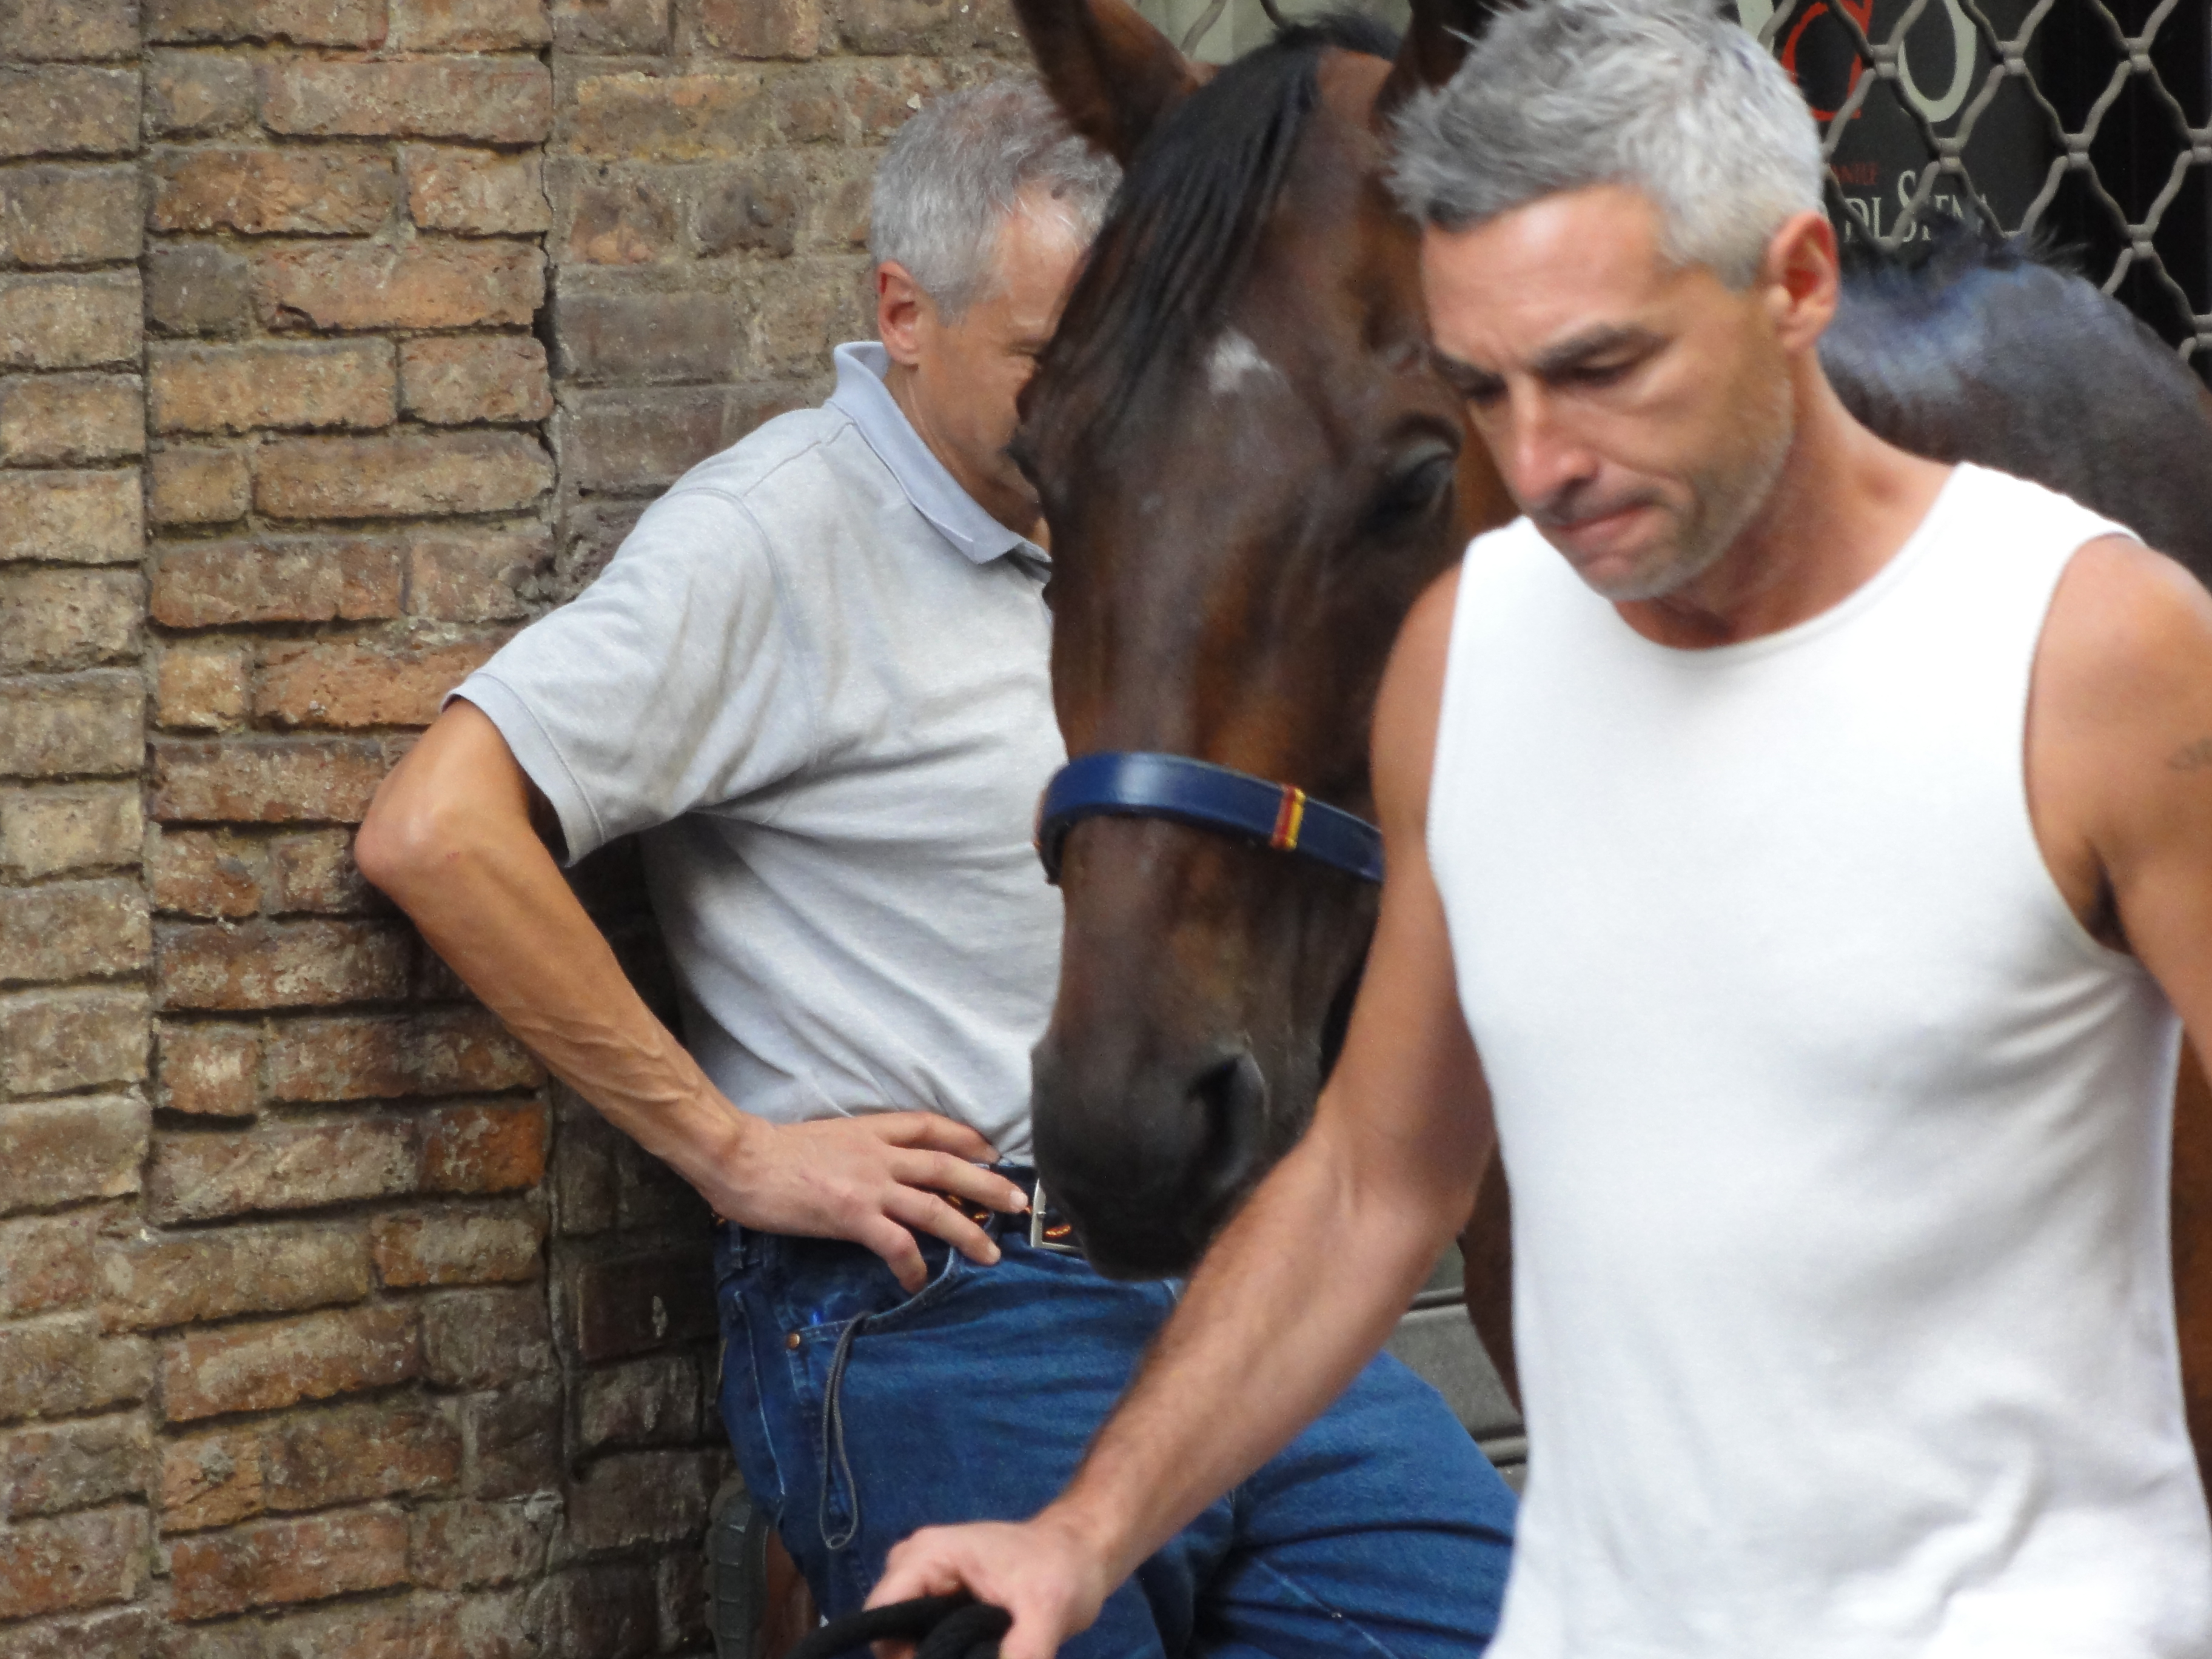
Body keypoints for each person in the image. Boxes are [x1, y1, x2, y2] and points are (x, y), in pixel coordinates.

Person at [868, 5, 2212, 1655]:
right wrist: (1083, 1533)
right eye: (1484, 391)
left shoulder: (2092, 656)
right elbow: (1371, 1183)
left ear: (1797, 283)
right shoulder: (1473, 653)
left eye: (1600, 368)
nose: (1545, 462)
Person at [355, 78, 1516, 1655]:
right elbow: (435, 827)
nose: (1101, 400)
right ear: (905, 313)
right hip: (958, 1307)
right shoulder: (775, 535)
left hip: (1237, 1294)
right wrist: (729, 1150)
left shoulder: (1158, 521)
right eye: (1051, 357)